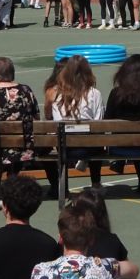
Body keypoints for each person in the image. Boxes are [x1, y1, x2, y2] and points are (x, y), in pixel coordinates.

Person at [104, 55, 140, 193]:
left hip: (119, 147)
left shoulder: (116, 94)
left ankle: (121, 161)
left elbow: (107, 119)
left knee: (131, 138)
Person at [45, 55, 104, 194]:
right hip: (89, 146)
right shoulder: (95, 93)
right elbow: (99, 121)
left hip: (65, 147)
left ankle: (62, 186)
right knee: (97, 138)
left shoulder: (56, 94)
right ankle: (96, 184)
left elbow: (55, 121)